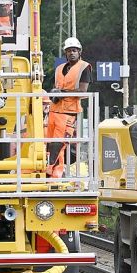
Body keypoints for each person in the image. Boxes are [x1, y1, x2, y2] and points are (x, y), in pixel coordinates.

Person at [47, 37, 91, 178]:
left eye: (74, 50)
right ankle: (51, 172)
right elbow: (57, 86)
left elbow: (83, 91)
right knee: (49, 142)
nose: (72, 53)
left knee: (59, 144)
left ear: (79, 52)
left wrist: (63, 93)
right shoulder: (60, 68)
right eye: (69, 51)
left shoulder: (84, 67)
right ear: (65, 53)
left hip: (69, 112)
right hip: (54, 110)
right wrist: (54, 93)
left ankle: (53, 171)